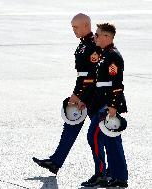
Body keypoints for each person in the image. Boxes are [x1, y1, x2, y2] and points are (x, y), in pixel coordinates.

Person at [32, 13, 99, 174]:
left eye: (76, 27)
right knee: (70, 126)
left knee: (99, 136)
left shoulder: (92, 45)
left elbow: (90, 77)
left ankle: (104, 172)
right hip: (84, 95)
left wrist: (77, 95)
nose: (73, 30)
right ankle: (55, 162)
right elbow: (81, 75)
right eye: (72, 28)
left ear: (86, 26)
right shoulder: (83, 44)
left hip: (93, 97)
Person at [81, 23, 128, 188]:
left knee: (93, 136)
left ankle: (103, 174)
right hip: (101, 104)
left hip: (107, 106)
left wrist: (113, 107)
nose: (94, 37)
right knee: (111, 141)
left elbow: (117, 84)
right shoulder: (104, 55)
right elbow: (96, 83)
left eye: (97, 34)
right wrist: (83, 100)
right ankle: (115, 176)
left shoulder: (113, 56)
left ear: (107, 37)